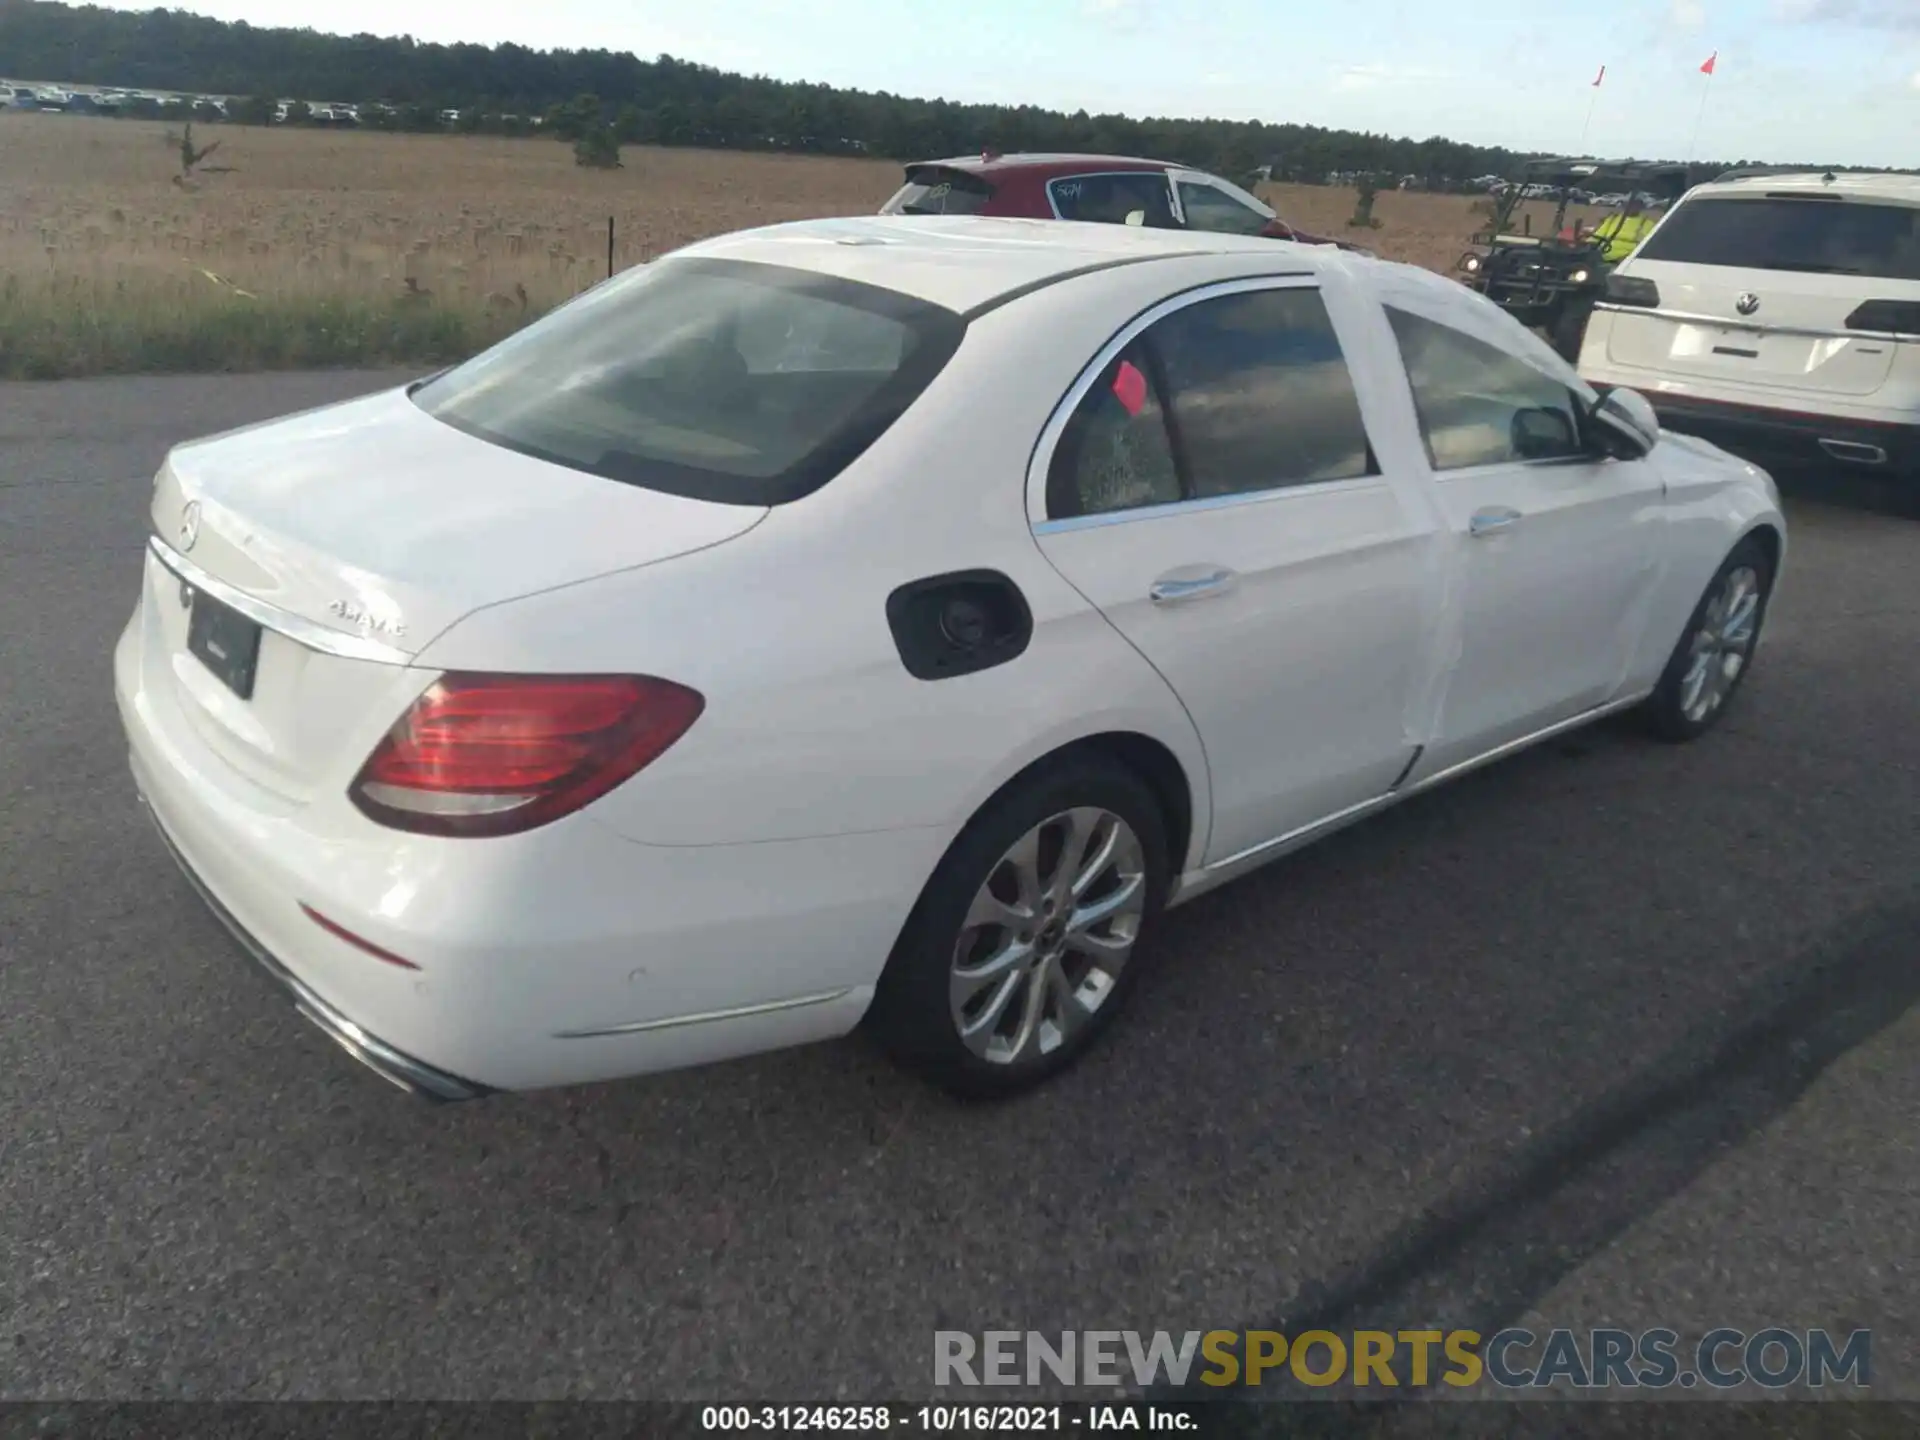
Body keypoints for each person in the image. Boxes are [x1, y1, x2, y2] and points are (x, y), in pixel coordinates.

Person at [1589, 195, 1657, 263]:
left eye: (1634, 204)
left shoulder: (1648, 224)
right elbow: (1596, 238)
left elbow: (1647, 249)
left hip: (1626, 260)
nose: (1630, 207)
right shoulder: (1613, 218)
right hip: (1602, 255)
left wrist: (1629, 257)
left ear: (1640, 206)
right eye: (1627, 204)